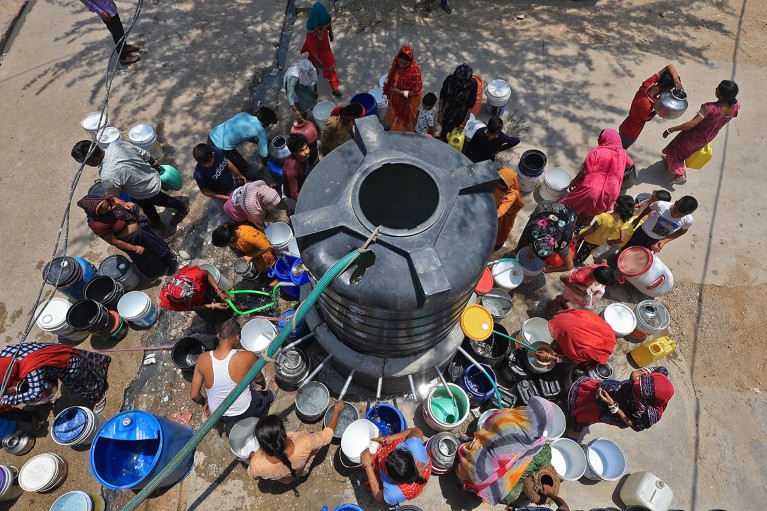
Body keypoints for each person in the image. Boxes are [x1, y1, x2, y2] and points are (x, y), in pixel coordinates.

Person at [456, 397, 558, 507]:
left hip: (468, 464)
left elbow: (489, 424)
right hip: (481, 481)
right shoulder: (538, 443)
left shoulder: (507, 418)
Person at [71, 140, 189, 229]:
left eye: (84, 162)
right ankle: (157, 222)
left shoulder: (107, 175)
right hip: (150, 175)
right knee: (148, 208)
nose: (85, 165)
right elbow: (143, 153)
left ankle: (183, 208)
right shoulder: (116, 145)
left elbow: (114, 196)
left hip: (145, 191)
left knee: (163, 200)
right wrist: (156, 165)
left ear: (95, 160)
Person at [190, 320, 273, 423]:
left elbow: (194, 395)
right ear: (237, 338)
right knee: (268, 395)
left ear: (218, 336)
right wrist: (263, 386)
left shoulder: (202, 359)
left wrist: (204, 403)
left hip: (219, 416)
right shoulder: (247, 356)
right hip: (245, 410)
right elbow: (259, 379)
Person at [77, 193, 177, 278]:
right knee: (146, 257)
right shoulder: (97, 225)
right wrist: (133, 248)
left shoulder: (107, 200)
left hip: (141, 229)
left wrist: (124, 203)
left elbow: (115, 200)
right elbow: (113, 241)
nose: (110, 208)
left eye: (108, 205)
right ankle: (157, 271)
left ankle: (168, 259)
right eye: (105, 209)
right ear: (96, 212)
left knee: (156, 244)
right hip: (131, 241)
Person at [661, 80, 740, 184]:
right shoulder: (735, 107)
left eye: (718, 88)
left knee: (677, 152)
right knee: (685, 153)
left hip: (692, 136)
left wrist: (671, 129)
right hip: (707, 137)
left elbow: (691, 124)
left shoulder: (709, 108)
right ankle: (670, 162)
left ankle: (680, 173)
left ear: (721, 95)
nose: (716, 89)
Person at [247, 402, 345, 483]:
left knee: (288, 479)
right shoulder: (305, 441)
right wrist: (337, 410)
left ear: (262, 445)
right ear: (283, 433)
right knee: (301, 472)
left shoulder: (257, 465)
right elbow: (327, 436)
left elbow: (253, 475)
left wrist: (252, 459)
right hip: (301, 470)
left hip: (286, 479)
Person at [0, 342, 110, 411]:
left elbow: (35, 393)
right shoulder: (5, 353)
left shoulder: (31, 368)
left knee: (80, 382)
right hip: (57, 349)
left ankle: (98, 396)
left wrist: (8, 400)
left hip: (66, 363)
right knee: (85, 359)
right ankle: (102, 362)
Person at [559, 129, 633, 226]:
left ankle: (561, 220)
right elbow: (630, 164)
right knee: (592, 210)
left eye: (600, 138)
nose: (598, 141)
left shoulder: (597, 151)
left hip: (592, 189)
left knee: (571, 204)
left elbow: (585, 171)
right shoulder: (623, 153)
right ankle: (579, 225)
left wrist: (573, 181)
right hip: (611, 192)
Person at [567, 366, 673, 433]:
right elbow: (660, 368)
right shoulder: (661, 375)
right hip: (616, 389)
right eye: (640, 382)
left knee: (588, 413)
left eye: (639, 390)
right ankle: (572, 399)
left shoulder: (652, 413)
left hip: (611, 411)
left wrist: (614, 406)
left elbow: (636, 427)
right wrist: (639, 373)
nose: (636, 384)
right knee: (586, 394)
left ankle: (574, 422)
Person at [360, 427, 431, 506]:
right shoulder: (415, 447)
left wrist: (368, 467)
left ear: (391, 479)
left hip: (402, 489)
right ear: (412, 458)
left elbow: (378, 496)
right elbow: (415, 430)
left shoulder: (393, 493)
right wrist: (387, 439)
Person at [618, 64, 683, 149]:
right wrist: (658, 109)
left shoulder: (647, 85)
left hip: (625, 126)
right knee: (618, 151)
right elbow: (647, 118)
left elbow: (669, 66)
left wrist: (676, 79)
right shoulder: (647, 105)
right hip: (630, 134)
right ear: (666, 89)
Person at [208, 107, 279, 181]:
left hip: (212, 135)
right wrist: (268, 160)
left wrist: (264, 142)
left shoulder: (244, 114)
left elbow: (247, 135)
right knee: (245, 168)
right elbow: (264, 154)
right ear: (266, 122)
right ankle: (257, 184)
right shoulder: (260, 130)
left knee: (222, 164)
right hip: (221, 146)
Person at [513, 201, 578, 273]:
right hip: (546, 207)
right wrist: (528, 250)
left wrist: (551, 270)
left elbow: (569, 266)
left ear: (554, 249)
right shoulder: (535, 228)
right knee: (525, 238)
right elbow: (527, 236)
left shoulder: (562, 245)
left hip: (568, 215)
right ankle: (517, 250)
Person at [159, 265, 234, 324]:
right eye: (181, 300)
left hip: (204, 289)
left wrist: (218, 291)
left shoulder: (194, 275)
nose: (183, 301)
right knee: (213, 317)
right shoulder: (169, 303)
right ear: (171, 297)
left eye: (186, 298)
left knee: (223, 299)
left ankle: (233, 308)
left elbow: (207, 273)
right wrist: (213, 305)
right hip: (198, 303)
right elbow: (192, 307)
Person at [572, 194, 634, 264]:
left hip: (587, 237)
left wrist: (578, 237)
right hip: (598, 242)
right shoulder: (623, 222)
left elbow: (592, 229)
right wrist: (610, 242)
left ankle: (572, 255)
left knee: (576, 242)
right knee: (585, 252)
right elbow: (621, 239)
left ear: (616, 205)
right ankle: (578, 261)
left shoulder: (604, 216)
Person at [622, 196, 697, 253]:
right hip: (642, 232)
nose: (675, 215)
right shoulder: (661, 205)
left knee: (642, 254)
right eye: (675, 210)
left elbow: (682, 231)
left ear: (688, 214)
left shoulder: (688, 220)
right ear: (675, 203)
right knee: (627, 249)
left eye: (680, 215)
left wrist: (664, 241)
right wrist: (638, 219)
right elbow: (649, 209)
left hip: (656, 240)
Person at [192, 144, 246, 221]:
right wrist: (226, 198)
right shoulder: (199, 174)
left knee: (240, 205)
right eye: (204, 164)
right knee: (225, 213)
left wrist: (239, 174)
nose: (207, 166)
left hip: (231, 184)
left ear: (213, 154)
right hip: (220, 196)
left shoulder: (216, 151)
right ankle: (226, 225)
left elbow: (227, 162)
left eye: (209, 162)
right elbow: (205, 192)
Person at [79, 0, 140, 65]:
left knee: (120, 30)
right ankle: (123, 57)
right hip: (105, 12)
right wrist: (100, 12)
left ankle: (124, 47)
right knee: (117, 34)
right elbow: (87, 2)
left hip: (110, 7)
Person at [546, 309, 616, 365]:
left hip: (596, 346)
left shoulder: (584, 350)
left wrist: (551, 357)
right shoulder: (581, 314)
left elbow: (571, 359)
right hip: (604, 333)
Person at [301, 2, 341, 98]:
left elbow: (328, 26)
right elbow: (313, 50)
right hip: (317, 51)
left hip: (324, 47)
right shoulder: (311, 35)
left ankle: (334, 88)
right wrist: (319, 61)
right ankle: (332, 89)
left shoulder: (323, 21)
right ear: (315, 27)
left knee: (325, 66)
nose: (322, 30)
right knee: (325, 68)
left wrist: (330, 33)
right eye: (320, 28)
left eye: (323, 27)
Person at [383, 46, 423, 132]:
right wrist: (387, 82)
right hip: (397, 96)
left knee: (408, 120)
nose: (402, 65)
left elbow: (416, 92)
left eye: (405, 64)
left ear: (410, 61)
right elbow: (391, 73)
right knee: (396, 113)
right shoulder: (396, 61)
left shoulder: (414, 72)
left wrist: (400, 92)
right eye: (400, 62)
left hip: (410, 99)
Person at [546, 263, 616, 314]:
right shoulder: (580, 277)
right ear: (595, 279)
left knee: (568, 298)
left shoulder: (603, 268)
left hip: (580, 285)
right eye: (601, 283)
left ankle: (562, 299)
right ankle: (551, 303)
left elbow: (604, 261)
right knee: (566, 298)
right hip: (573, 285)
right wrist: (576, 290)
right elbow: (562, 277)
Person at [211, 222, 276, 272]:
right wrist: (239, 255)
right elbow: (232, 246)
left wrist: (250, 256)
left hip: (264, 255)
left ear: (231, 239)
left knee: (269, 266)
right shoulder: (230, 234)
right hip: (253, 257)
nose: (228, 245)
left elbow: (267, 247)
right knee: (259, 267)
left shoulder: (249, 236)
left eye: (227, 244)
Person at [438, 64, 478, 142]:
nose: (460, 83)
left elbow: (471, 104)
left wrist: (463, 123)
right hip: (447, 110)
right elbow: (442, 96)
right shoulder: (449, 80)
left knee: (455, 133)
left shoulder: (472, 84)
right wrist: (440, 113)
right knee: (444, 130)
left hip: (460, 114)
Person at [494, 167, 525, 251]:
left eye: (501, 184)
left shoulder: (513, 194)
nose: (498, 185)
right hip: (497, 209)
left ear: (508, 185)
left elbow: (504, 208)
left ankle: (498, 243)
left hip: (506, 215)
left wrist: (494, 216)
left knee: (502, 229)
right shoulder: (496, 185)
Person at [283, 133, 310, 212]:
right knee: (298, 211)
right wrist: (308, 200)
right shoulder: (292, 170)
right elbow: (294, 194)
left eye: (306, 148)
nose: (306, 152)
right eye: (302, 150)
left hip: (301, 185)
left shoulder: (303, 157)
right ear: (294, 153)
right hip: (292, 197)